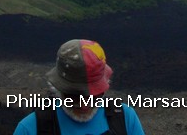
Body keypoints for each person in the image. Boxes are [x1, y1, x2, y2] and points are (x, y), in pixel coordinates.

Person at [7, 40, 141, 135]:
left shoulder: (124, 119)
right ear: (57, 88)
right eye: (74, 96)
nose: (84, 105)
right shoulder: (31, 128)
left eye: (93, 96)